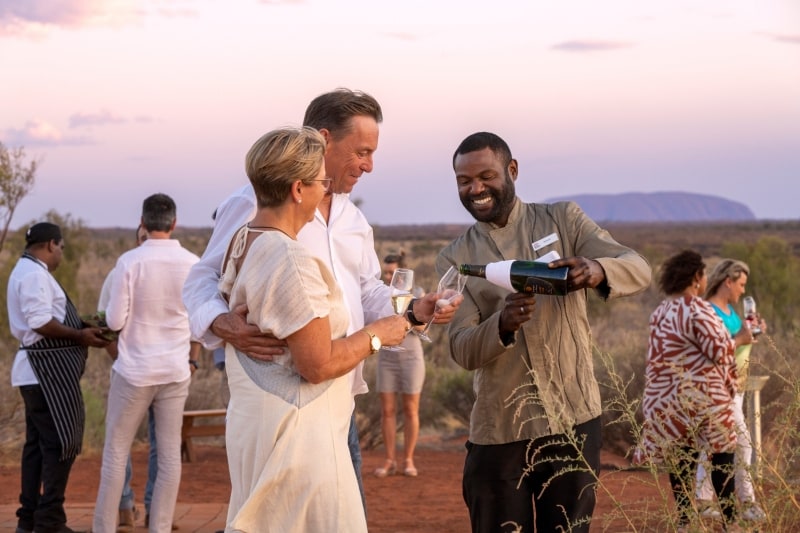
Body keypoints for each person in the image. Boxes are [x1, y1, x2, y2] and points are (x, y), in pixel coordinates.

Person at [181, 88, 451, 509]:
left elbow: (366, 289)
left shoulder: (353, 219)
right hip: (285, 403)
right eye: (362, 151)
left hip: (341, 398)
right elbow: (201, 277)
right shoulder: (252, 205)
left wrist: (414, 310)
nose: (369, 166)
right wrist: (221, 322)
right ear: (325, 139)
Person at [436, 132, 651, 533]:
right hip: (501, 429)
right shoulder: (455, 257)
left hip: (574, 417)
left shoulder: (563, 220)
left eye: (486, 176)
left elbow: (637, 266)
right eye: (464, 181)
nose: (475, 189)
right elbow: (461, 349)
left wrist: (598, 269)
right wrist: (501, 324)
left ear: (512, 170)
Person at [219, 126, 408, 531]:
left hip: (257, 422)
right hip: (300, 436)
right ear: (297, 189)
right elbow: (317, 363)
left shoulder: (243, 240)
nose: (328, 191)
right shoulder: (291, 260)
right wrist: (380, 334)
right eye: (322, 182)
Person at [93, 194, 201, 532]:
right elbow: (199, 320)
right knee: (169, 456)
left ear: (143, 222)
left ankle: (104, 528)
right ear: (173, 223)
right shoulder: (192, 263)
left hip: (135, 371)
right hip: (174, 371)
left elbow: (112, 321)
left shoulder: (129, 262)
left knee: (115, 451)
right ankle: (160, 527)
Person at [7, 222, 110, 533]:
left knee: (38, 447)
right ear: (52, 244)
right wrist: (79, 334)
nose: (62, 253)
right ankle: (49, 520)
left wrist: (84, 324)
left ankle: (29, 519)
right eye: (62, 247)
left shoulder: (24, 270)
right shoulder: (35, 275)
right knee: (61, 443)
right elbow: (40, 322)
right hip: (44, 372)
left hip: (36, 371)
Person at [635, 250, 749, 531]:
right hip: (703, 398)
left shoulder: (659, 311)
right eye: (704, 274)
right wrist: (742, 338)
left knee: (682, 458)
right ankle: (730, 522)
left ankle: (686, 521)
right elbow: (720, 351)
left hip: (667, 401)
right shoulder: (698, 309)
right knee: (723, 453)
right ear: (697, 278)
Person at [695, 259, 768, 523]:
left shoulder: (729, 311)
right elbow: (712, 351)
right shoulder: (709, 312)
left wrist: (752, 333)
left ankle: (703, 502)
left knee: (710, 447)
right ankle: (747, 503)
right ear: (728, 281)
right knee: (743, 444)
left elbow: (738, 343)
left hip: (735, 389)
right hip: (719, 390)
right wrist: (741, 339)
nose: (742, 291)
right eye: (740, 284)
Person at [97, 224, 148, 532]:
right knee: (121, 442)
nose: (145, 241)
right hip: (131, 368)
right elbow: (106, 323)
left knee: (159, 443)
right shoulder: (121, 270)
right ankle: (125, 507)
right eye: (141, 237)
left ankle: (153, 508)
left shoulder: (125, 267)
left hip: (164, 371)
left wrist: (191, 360)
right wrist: (119, 355)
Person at [374, 251, 426, 478]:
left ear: (402, 273)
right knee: (387, 410)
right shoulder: (377, 293)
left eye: (391, 272)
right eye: (385, 272)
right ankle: (389, 460)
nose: (387, 276)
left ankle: (408, 460)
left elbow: (423, 328)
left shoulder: (417, 293)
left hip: (411, 356)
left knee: (410, 409)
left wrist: (406, 317)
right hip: (387, 356)